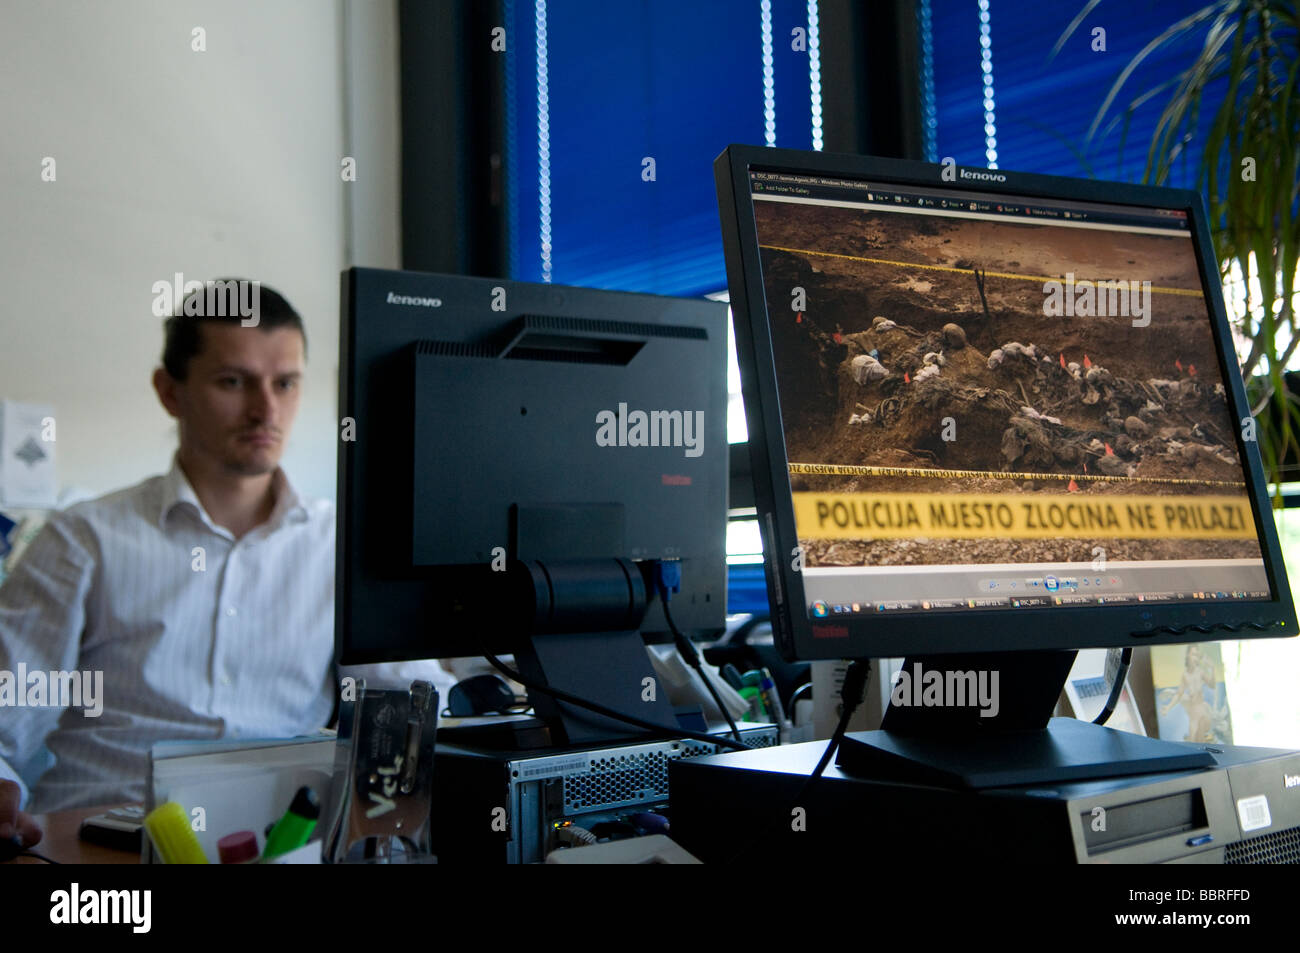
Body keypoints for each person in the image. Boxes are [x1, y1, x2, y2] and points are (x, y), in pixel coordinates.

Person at [0, 281, 340, 851]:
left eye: (285, 383)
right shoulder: (83, 539)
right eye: (234, 381)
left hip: (283, 845)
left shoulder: (338, 545)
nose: (266, 409)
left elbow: (411, 708)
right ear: (170, 392)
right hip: (103, 845)